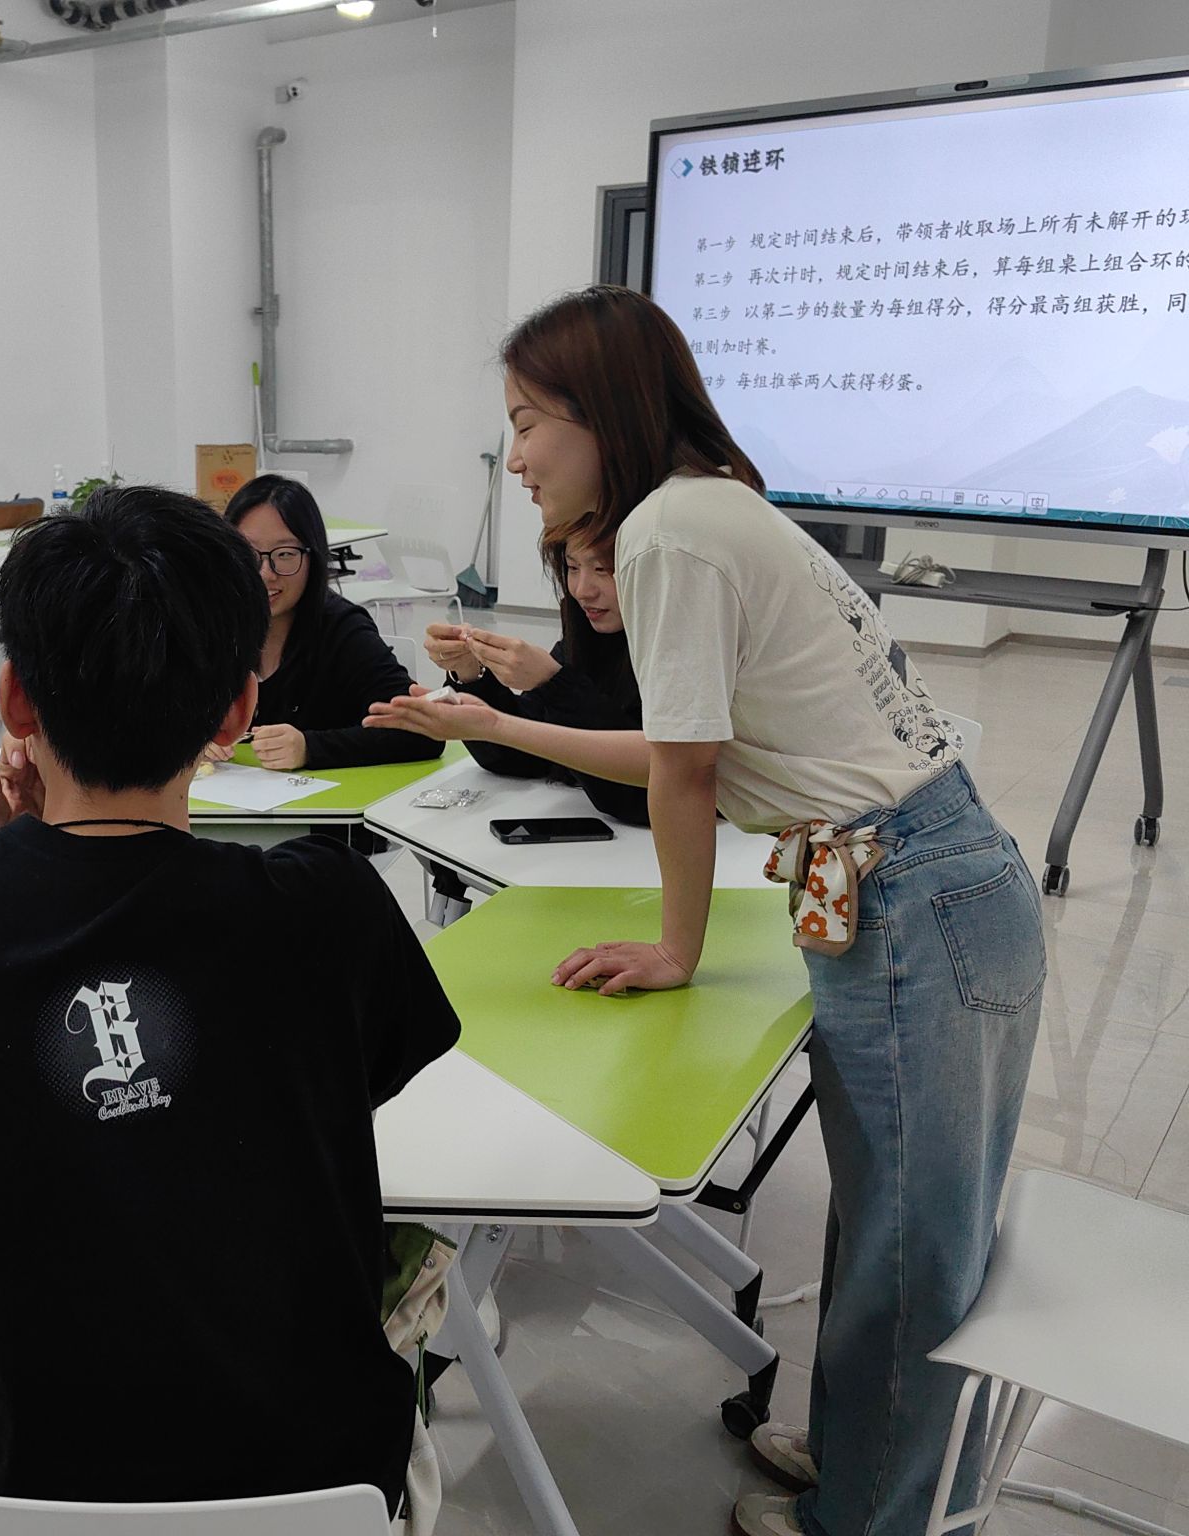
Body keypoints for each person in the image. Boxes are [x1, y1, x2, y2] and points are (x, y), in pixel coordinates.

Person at [380, 287, 1042, 1536]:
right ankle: (855, 1460)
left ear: (602, 415)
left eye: (525, 422)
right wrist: (509, 710)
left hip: (915, 896)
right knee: (882, 1222)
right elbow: (678, 749)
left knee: (909, 1249)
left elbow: (681, 770)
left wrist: (674, 949)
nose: (513, 457)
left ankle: (874, 1519)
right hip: (902, 883)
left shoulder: (667, 534)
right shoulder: (701, 508)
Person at [0, 485, 460, 1508]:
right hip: (317, 1495)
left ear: (16, 702)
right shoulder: (329, 908)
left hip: (20, 1497)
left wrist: (19, 869)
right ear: (237, 711)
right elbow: (338, 1082)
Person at [420, 533, 648, 825]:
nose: (582, 590)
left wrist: (552, 681)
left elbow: (644, 792)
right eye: (573, 567)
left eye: (602, 570)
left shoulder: (675, 652)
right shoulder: (584, 632)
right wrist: (470, 673)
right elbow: (524, 756)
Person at [218, 474, 440, 771]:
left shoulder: (343, 630)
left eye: (285, 554)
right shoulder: (213, 626)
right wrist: (192, 740)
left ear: (314, 557)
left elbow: (423, 733)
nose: (266, 573)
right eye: (248, 553)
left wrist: (310, 748)